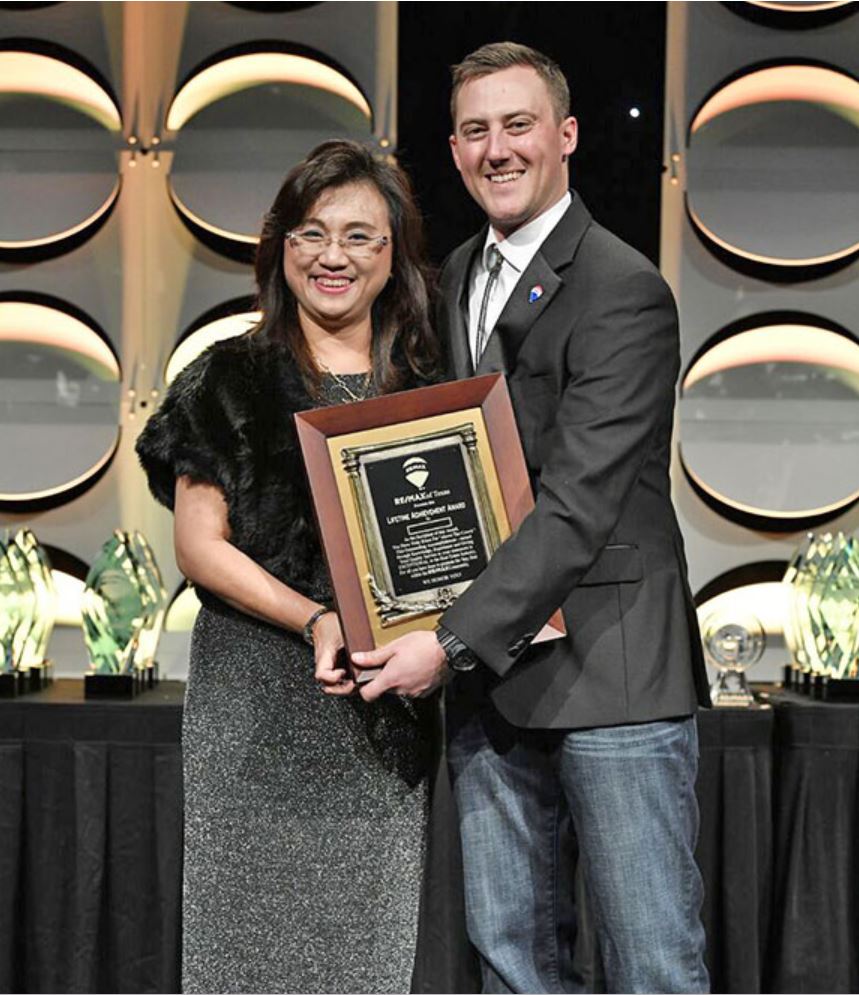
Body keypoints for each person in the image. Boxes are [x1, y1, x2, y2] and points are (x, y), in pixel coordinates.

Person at [354, 43, 712, 994]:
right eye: (475, 130)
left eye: (517, 125)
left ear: (566, 136)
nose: (496, 148)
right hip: (494, 686)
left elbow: (579, 504)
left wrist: (446, 638)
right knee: (511, 961)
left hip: (611, 674)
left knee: (651, 961)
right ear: (453, 149)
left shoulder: (621, 287)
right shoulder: (453, 274)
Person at [135, 140, 442, 994]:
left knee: (362, 960)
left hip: (381, 712)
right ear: (280, 247)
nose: (332, 256)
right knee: (242, 955)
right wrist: (313, 618)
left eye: (358, 235)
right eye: (311, 232)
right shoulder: (225, 377)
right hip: (253, 709)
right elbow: (199, 546)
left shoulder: (431, 389)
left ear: (394, 255)